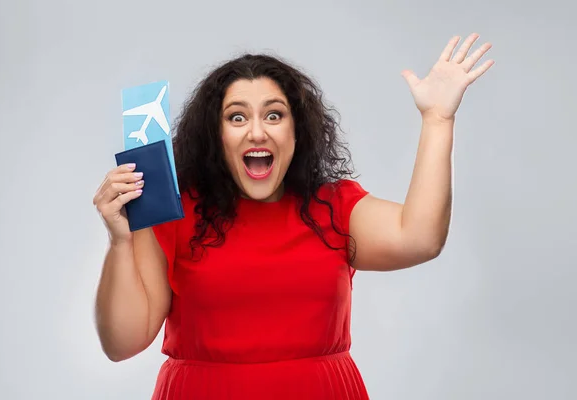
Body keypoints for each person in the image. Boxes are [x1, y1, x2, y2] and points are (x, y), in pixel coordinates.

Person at [92, 33, 493, 399]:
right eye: (237, 117)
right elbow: (122, 343)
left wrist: (438, 121)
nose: (257, 133)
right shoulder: (173, 213)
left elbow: (421, 237)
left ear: (296, 131)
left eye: (273, 115)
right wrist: (120, 240)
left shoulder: (333, 207)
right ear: (216, 136)